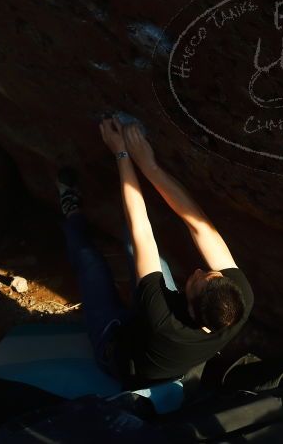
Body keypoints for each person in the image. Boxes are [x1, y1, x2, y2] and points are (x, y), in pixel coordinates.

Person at [58, 116, 254, 389]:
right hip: (157, 340)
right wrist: (150, 166)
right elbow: (200, 226)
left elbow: (141, 227)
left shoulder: (164, 321)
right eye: (211, 273)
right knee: (139, 250)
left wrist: (122, 153)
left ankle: (72, 214)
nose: (199, 270)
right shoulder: (239, 302)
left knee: (90, 262)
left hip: (118, 349)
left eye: (197, 279)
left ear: (191, 307)